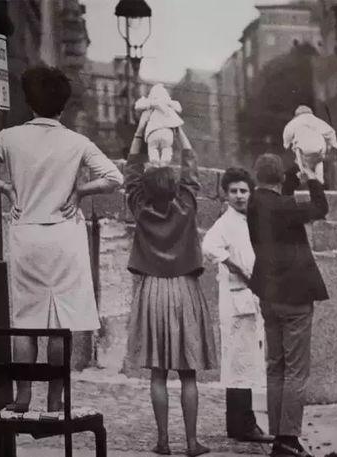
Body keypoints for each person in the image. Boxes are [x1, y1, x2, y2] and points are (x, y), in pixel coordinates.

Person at [0, 66, 124, 413]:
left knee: (26, 319)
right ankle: (55, 397)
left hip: (27, 234)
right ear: (63, 106)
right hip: (65, 236)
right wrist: (80, 191)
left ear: (29, 103)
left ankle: (23, 396)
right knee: (60, 324)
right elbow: (114, 178)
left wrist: (6, 188)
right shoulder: (77, 142)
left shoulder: (10, 138)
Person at [125, 111, 217, 457]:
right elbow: (192, 171)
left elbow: (131, 173)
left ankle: (163, 442)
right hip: (184, 289)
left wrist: (140, 130)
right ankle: (192, 443)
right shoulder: (187, 204)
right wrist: (179, 130)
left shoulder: (140, 206)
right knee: (188, 374)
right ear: (176, 187)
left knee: (158, 374)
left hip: (152, 290)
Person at [246, 154, 329, 457]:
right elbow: (320, 207)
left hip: (268, 295)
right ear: (279, 178)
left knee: (275, 367)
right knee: (296, 371)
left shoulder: (254, 202)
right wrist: (313, 178)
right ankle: (289, 439)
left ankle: (278, 437)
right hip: (295, 296)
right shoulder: (284, 207)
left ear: (256, 176)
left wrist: (295, 168)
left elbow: (283, 197)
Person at [202, 167, 274, 443]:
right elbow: (209, 247)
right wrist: (235, 266)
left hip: (251, 296)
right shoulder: (226, 222)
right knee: (239, 362)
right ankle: (243, 425)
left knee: (245, 362)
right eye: (233, 191)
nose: (239, 196)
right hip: (236, 298)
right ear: (226, 194)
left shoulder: (250, 219)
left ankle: (240, 423)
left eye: (243, 190)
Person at [283, 105, 337, 183]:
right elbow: (331, 132)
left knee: (299, 161)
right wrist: (334, 146)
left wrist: (286, 144)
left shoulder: (294, 122)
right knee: (319, 161)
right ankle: (319, 180)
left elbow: (287, 134)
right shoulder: (317, 121)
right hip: (320, 149)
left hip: (303, 150)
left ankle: (307, 175)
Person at [134, 83, 184, 166]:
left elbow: (137, 105)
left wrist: (151, 103)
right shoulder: (168, 105)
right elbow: (179, 108)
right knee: (167, 148)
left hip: (153, 132)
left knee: (152, 148)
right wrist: (168, 103)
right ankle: (165, 162)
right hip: (167, 132)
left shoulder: (150, 105)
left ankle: (154, 162)